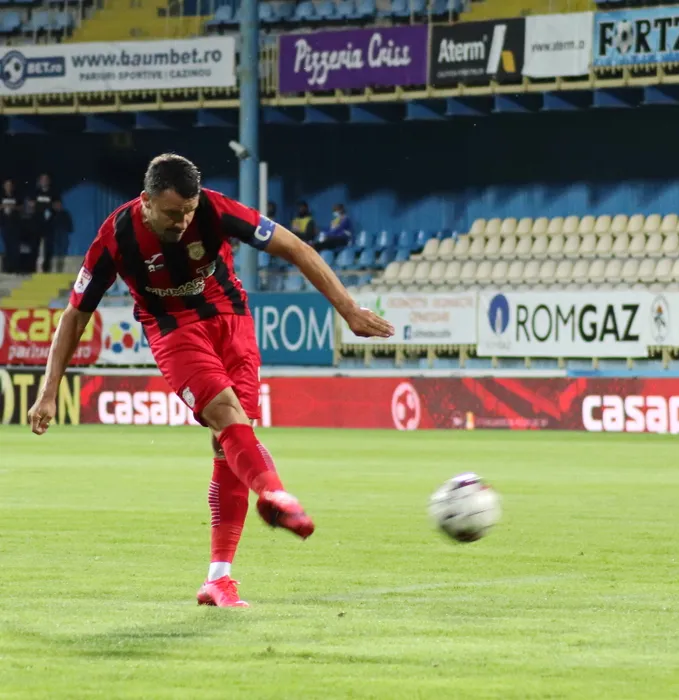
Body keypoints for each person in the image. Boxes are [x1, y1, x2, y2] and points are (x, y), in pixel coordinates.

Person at [27, 154, 394, 607]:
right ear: (145, 201)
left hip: (231, 319)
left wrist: (348, 309)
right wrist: (48, 392)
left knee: (230, 444)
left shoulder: (215, 210)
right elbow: (75, 315)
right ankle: (275, 494)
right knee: (225, 413)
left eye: (188, 210)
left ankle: (218, 579)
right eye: (172, 213)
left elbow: (295, 247)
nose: (183, 221)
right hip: (173, 329)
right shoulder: (115, 237)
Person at [49, 197, 74, 272]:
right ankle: (52, 269)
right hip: (53, 237)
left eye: (58, 204)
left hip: (63, 236)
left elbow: (70, 227)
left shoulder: (65, 214)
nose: (57, 206)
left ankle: (60, 269)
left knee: (62, 254)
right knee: (54, 253)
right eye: (55, 204)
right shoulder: (51, 214)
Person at [1, 178, 20, 272]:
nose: (8, 187)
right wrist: (4, 206)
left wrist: (13, 207)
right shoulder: (1, 196)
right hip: (3, 224)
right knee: (6, 246)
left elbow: (21, 207)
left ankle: (14, 267)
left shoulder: (16, 196)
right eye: (7, 185)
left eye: (10, 185)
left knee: (14, 246)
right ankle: (6, 268)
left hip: (15, 225)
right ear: (4, 186)